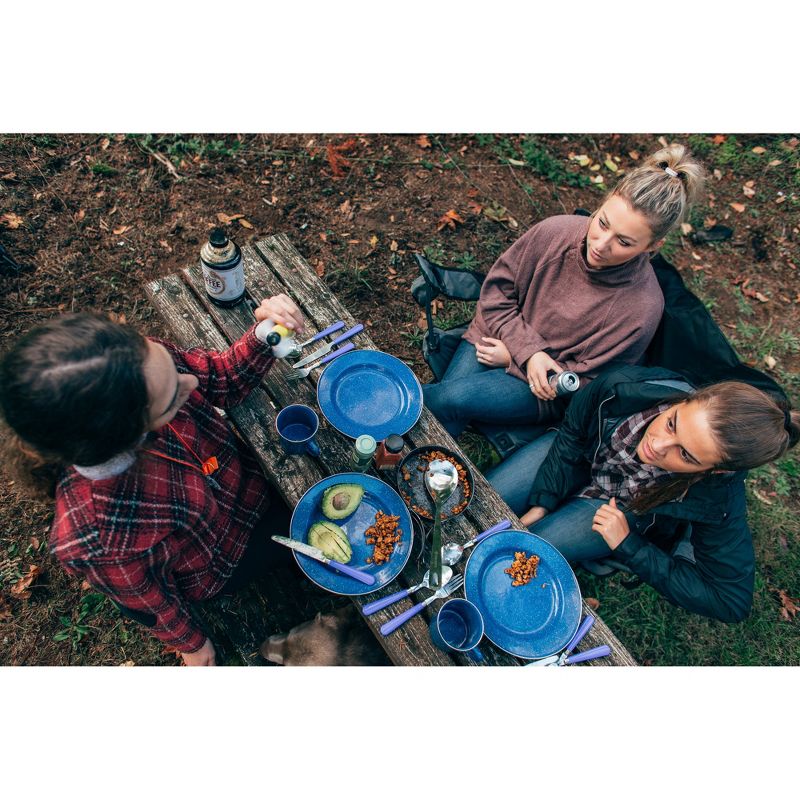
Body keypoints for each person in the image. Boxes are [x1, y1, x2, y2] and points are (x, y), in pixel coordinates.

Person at [0, 295, 305, 665]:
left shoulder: (138, 366)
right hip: (224, 555)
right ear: (127, 436)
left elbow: (217, 378)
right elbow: (147, 598)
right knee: (317, 522)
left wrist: (263, 335)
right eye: (172, 398)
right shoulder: (97, 538)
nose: (190, 382)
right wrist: (192, 644)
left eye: (173, 371)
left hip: (247, 481)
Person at [423, 143, 706, 439]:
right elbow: (496, 293)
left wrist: (517, 359)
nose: (600, 244)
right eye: (602, 223)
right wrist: (527, 351)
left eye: (623, 242)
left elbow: (591, 385)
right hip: (496, 333)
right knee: (442, 411)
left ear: (652, 246)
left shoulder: (642, 309)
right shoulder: (554, 232)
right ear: (602, 203)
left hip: (542, 386)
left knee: (451, 399)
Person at [487, 365, 799, 623]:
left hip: (618, 508)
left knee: (519, 554)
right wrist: (544, 499)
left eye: (686, 456)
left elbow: (730, 601)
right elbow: (574, 432)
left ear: (716, 470)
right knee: (484, 499)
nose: (658, 445)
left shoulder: (719, 500)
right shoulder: (625, 386)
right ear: (687, 399)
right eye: (672, 424)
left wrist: (630, 547)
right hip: (582, 459)